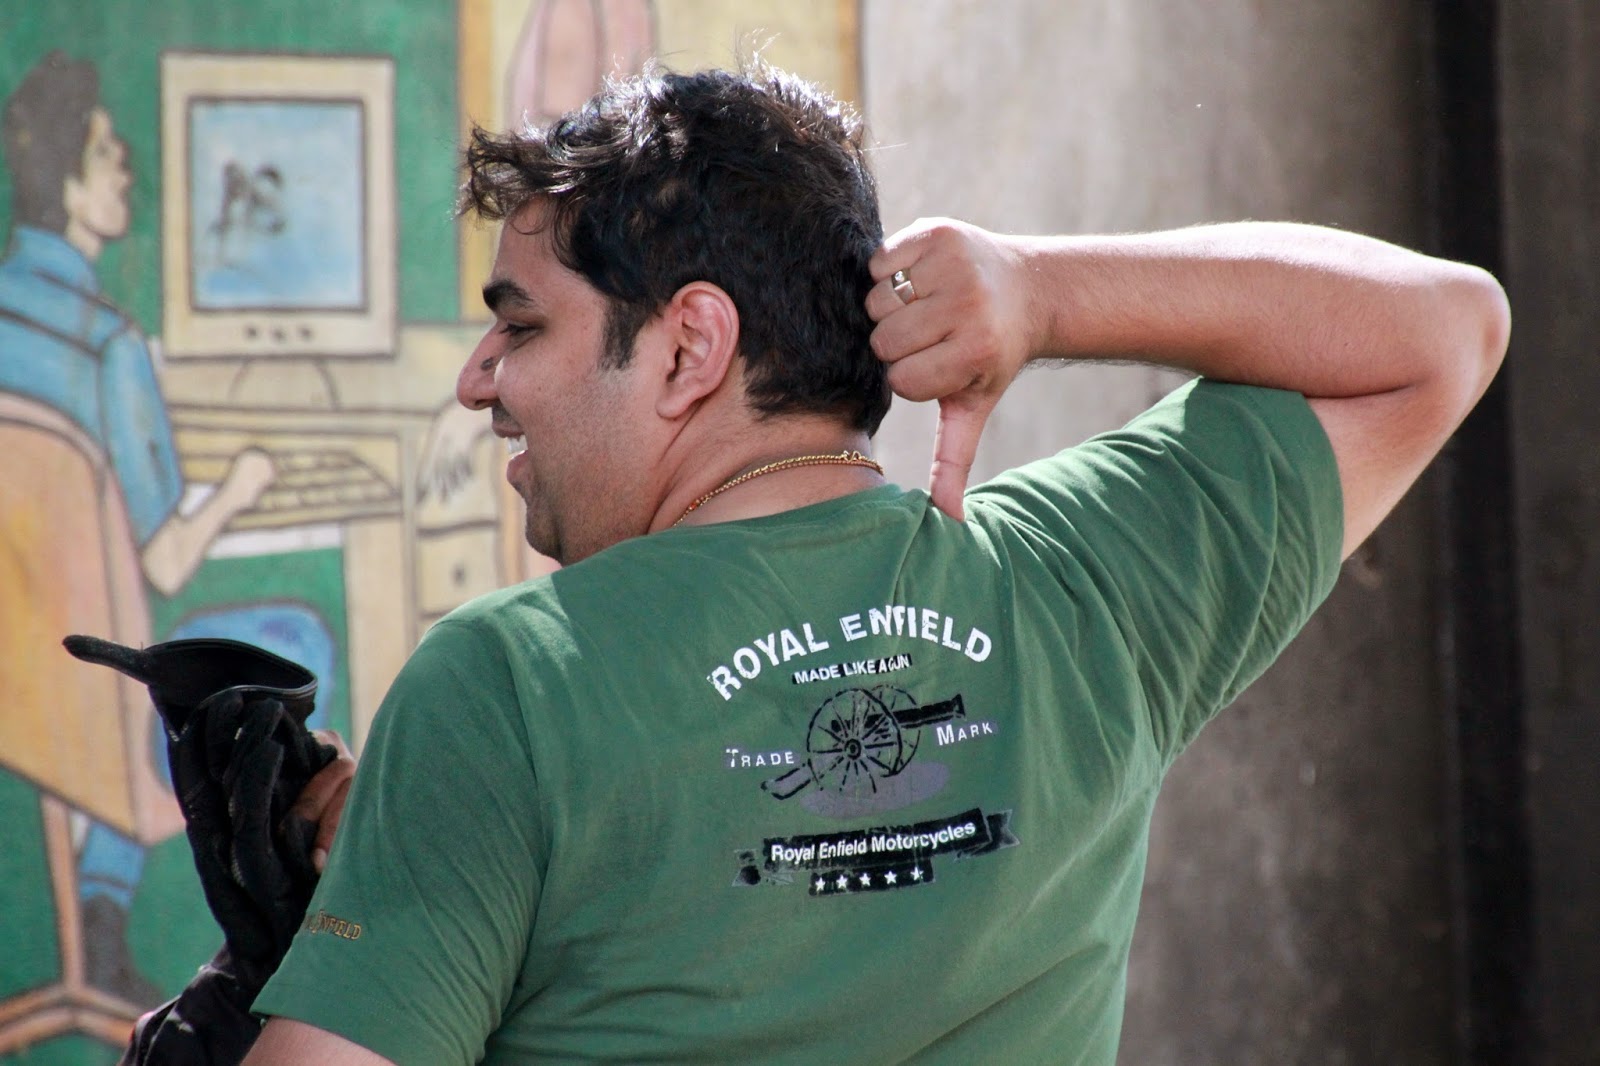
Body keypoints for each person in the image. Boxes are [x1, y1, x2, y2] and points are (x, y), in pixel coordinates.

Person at [242, 62, 1508, 1064]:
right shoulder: (1077, 584)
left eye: (519, 326)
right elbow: (1445, 329)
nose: (482, 382)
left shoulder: (508, 683)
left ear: (687, 348)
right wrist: (1042, 292)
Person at [0, 50, 333, 1007]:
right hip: (103, 699)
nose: (127, 172)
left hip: (27, 683)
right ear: (66, 183)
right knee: (296, 639)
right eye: (108, 155)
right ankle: (291, 926)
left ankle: (103, 912)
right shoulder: (108, 345)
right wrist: (242, 485)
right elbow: (168, 557)